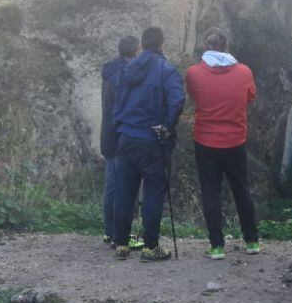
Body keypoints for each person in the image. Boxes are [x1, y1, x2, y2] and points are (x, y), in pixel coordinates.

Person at [185, 27, 261, 259]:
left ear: (206, 47)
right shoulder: (244, 72)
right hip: (235, 141)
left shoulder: (194, 73)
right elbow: (250, 97)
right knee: (242, 190)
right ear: (226, 46)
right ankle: (252, 242)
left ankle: (217, 246)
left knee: (210, 193)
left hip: (205, 142)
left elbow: (194, 97)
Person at [111, 26, 186, 262]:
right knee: (153, 193)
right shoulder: (166, 70)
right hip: (152, 140)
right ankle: (150, 247)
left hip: (126, 137)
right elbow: (177, 99)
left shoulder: (127, 68)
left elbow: (117, 99)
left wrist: (120, 126)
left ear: (142, 46)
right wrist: (167, 126)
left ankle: (121, 244)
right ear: (162, 44)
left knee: (124, 191)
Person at [101, 36, 145, 251]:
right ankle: (120, 235)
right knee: (124, 188)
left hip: (108, 135)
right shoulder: (126, 75)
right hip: (123, 136)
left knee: (111, 186)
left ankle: (110, 232)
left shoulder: (109, 72)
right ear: (136, 52)